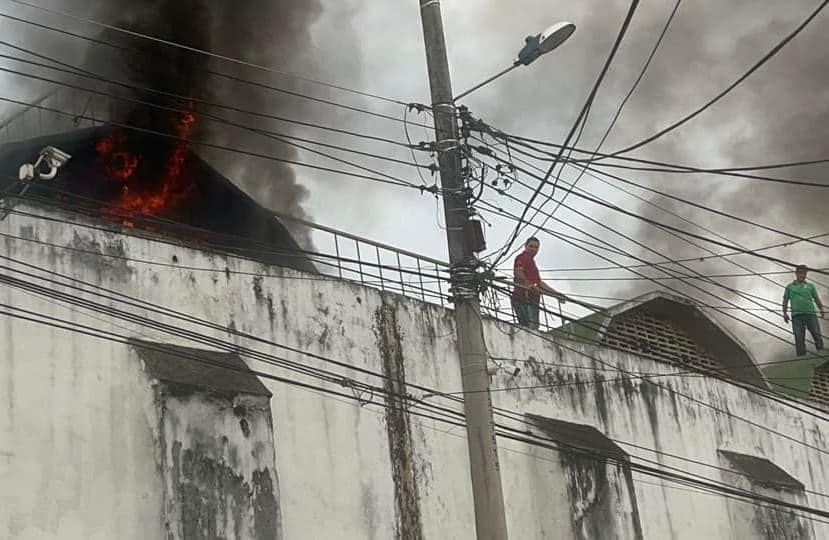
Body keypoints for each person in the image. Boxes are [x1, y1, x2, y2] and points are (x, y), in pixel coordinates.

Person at [511, 237, 566, 329]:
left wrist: (556, 294)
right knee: (529, 328)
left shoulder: (532, 263)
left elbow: (540, 283)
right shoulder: (523, 257)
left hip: (532, 299)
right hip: (523, 298)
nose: (533, 249)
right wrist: (530, 285)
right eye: (531, 246)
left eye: (536, 247)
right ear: (525, 246)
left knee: (533, 328)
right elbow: (518, 272)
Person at [782, 264, 825, 356]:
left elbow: (816, 298)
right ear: (796, 273)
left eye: (805, 273)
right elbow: (785, 300)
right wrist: (784, 313)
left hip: (811, 314)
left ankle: (822, 352)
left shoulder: (810, 286)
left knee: (816, 334)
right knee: (799, 337)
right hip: (797, 316)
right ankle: (801, 357)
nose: (803, 275)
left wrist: (821, 309)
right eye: (801, 273)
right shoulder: (790, 287)